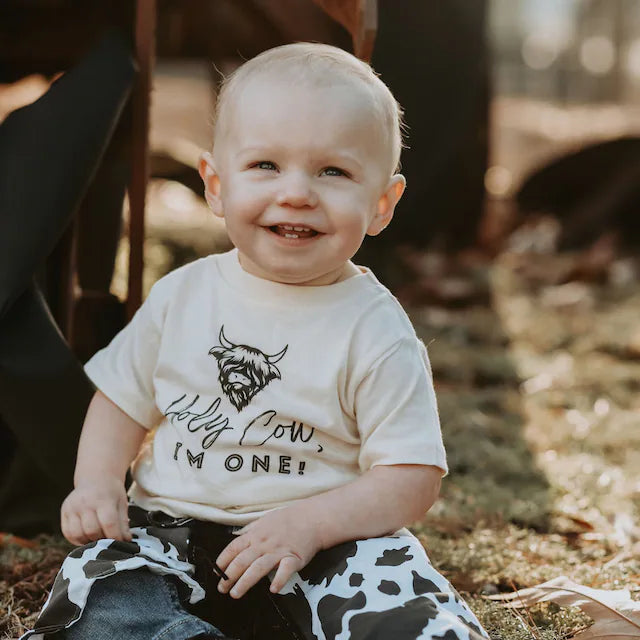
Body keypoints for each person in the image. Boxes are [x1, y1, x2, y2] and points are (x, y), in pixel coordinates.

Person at [22, 43, 488, 640]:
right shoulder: (181, 296)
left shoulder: (374, 328)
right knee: (101, 588)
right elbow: (121, 399)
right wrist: (96, 483)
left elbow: (411, 475)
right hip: (169, 529)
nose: (296, 193)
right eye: (266, 165)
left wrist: (311, 525)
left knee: (400, 601)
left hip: (326, 542)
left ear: (382, 204)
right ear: (215, 185)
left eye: (333, 171)